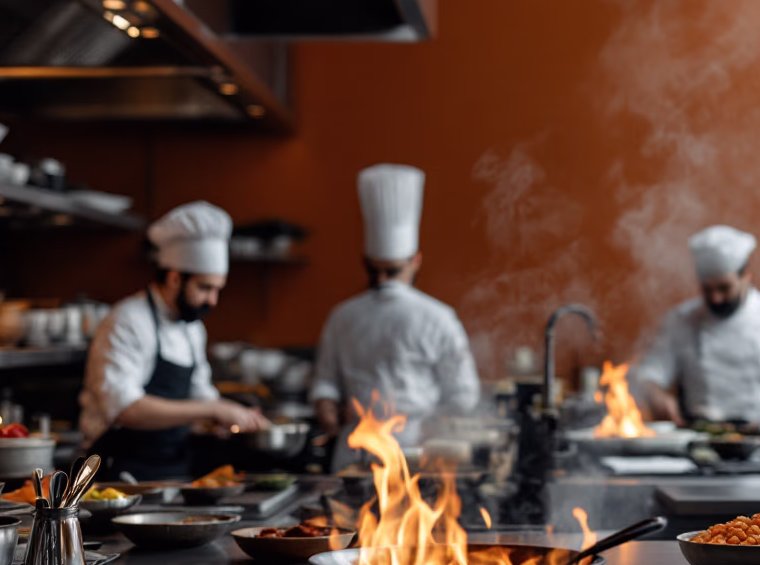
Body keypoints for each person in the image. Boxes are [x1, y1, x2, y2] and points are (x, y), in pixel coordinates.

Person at [80, 201, 268, 480]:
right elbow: (124, 408)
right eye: (205, 288)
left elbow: (198, 396)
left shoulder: (192, 328)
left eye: (218, 290)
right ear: (175, 278)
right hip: (119, 473)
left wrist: (231, 418)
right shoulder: (127, 320)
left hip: (173, 470)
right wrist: (214, 409)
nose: (212, 301)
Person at [311, 164, 480, 468]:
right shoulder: (439, 316)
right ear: (415, 262)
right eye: (376, 271)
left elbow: (325, 383)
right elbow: (464, 395)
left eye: (389, 271)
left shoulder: (342, 314)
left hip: (372, 450)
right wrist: (436, 421)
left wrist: (326, 407)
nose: (383, 281)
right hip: (408, 448)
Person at [634, 225, 760, 442]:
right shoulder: (679, 321)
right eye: (707, 290)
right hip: (697, 444)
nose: (715, 298)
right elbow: (649, 376)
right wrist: (657, 397)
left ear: (746, 275)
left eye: (724, 288)